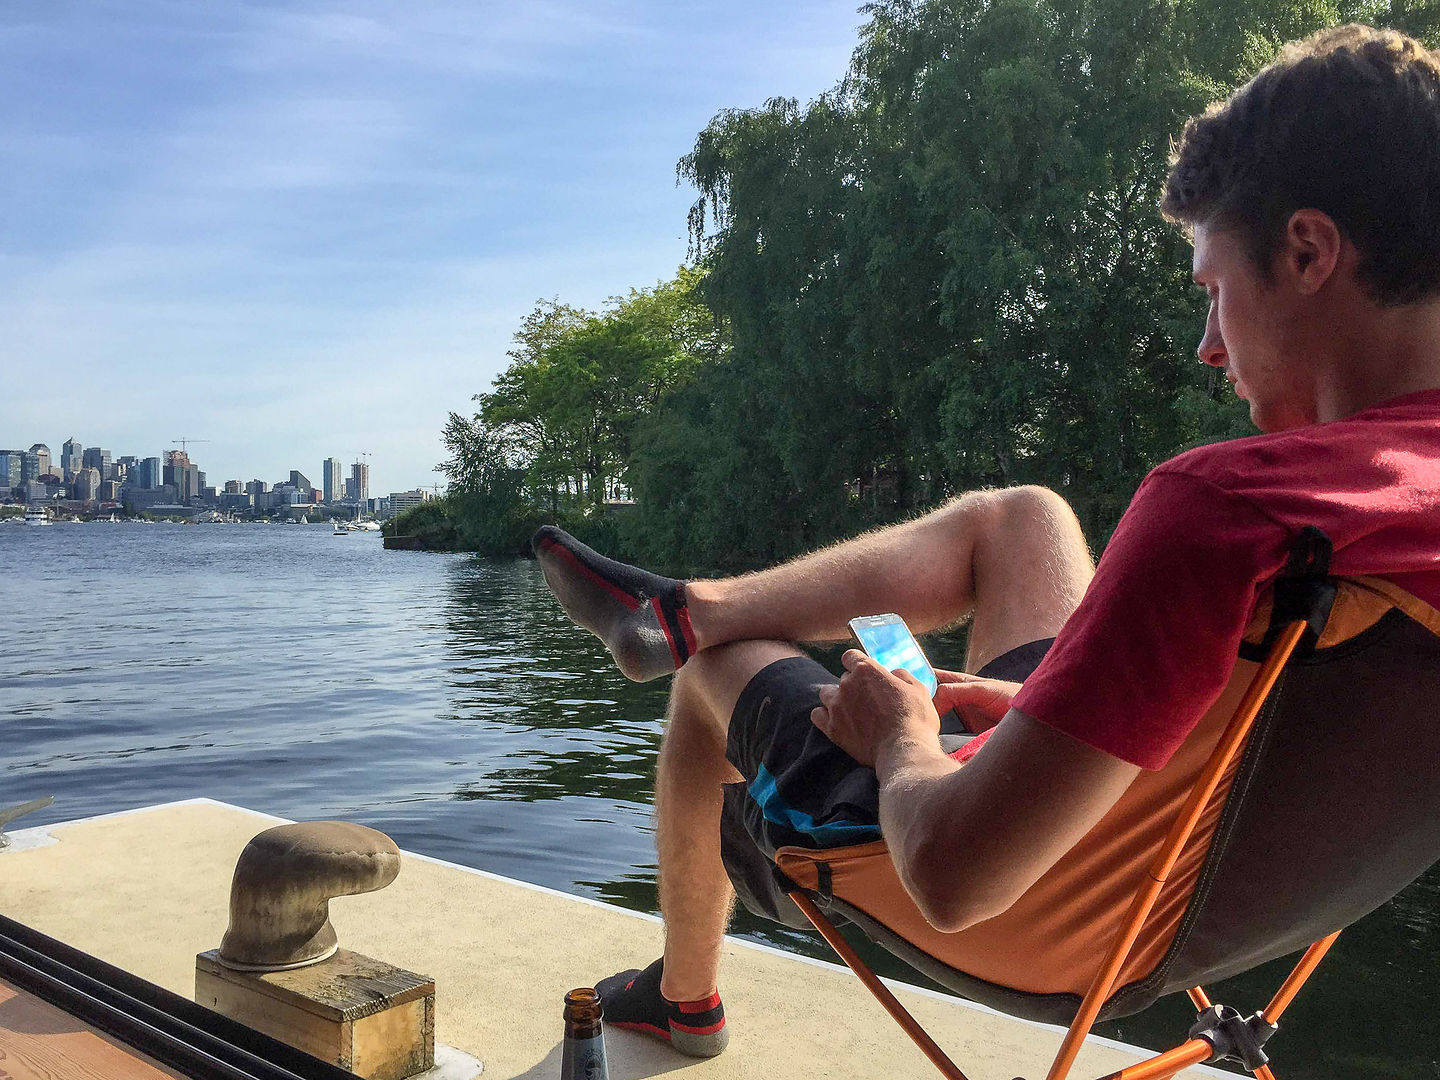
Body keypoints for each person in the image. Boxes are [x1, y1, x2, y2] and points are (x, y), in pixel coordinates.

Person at [533, 24, 1440, 1059]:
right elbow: (1272, 735)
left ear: (1309, 252)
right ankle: (684, 608)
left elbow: (958, 880)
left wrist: (899, 735)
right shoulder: (1371, 511)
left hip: (1058, 915)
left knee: (715, 681)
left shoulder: (1231, 506)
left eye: (1213, 290)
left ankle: (683, 995)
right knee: (1027, 520)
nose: (1207, 346)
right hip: (1203, 877)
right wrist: (1036, 709)